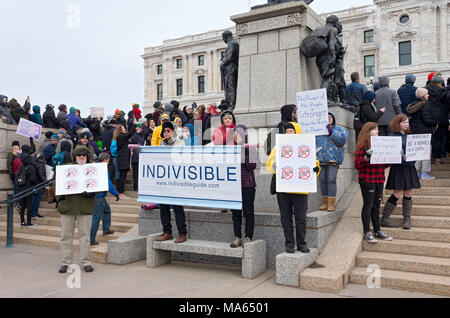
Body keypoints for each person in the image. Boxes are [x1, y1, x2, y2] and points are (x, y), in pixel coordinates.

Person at [266, 122, 321, 254]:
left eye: (291, 130)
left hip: (300, 188)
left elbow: (314, 162)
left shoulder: (306, 145)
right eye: (287, 131)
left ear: (297, 131)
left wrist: (316, 169)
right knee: (285, 217)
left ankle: (302, 243)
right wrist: (275, 167)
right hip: (283, 188)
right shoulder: (278, 146)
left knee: (301, 217)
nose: (289, 133)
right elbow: (270, 162)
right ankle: (289, 243)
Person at [57, 146, 97, 274]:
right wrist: (60, 196)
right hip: (67, 207)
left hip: (84, 208)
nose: (81, 157)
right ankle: (65, 262)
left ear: (87, 156)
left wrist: (92, 193)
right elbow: (56, 184)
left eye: (83, 155)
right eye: (78, 155)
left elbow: (99, 184)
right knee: (65, 236)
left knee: (85, 237)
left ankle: (86, 262)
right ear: (74, 156)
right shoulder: (67, 168)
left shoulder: (93, 168)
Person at [354, 122, 393, 243]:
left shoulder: (380, 145)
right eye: (375, 129)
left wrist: (393, 158)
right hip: (367, 179)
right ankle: (367, 231)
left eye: (377, 129)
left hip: (379, 179)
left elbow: (383, 165)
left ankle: (377, 230)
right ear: (368, 131)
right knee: (368, 205)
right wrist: (366, 157)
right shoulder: (363, 146)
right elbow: (358, 165)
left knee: (376, 206)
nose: (378, 131)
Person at [381, 115, 421, 230]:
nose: (406, 124)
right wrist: (400, 157)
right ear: (397, 123)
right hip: (398, 167)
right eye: (404, 122)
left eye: (407, 122)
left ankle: (407, 219)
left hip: (410, 167)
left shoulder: (410, 136)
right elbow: (390, 154)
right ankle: (385, 218)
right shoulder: (392, 136)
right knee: (397, 192)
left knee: (408, 193)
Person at [156, 121, 187, 244]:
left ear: (173, 131)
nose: (166, 133)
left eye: (168, 131)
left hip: (176, 179)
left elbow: (182, 159)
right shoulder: (162, 144)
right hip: (165, 179)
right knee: (163, 206)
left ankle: (182, 233)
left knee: (177, 207)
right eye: (164, 131)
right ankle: (167, 231)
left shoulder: (180, 143)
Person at [230, 125, 257, 248]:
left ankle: (248, 237)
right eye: (235, 134)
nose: (236, 136)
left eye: (238, 134)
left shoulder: (250, 148)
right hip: (234, 185)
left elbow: (251, 166)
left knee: (248, 212)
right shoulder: (230, 148)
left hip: (247, 184)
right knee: (236, 212)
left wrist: (242, 152)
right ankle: (237, 237)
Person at [317, 113, 349, 212]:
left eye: (330, 117)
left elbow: (342, 141)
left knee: (331, 179)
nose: (329, 119)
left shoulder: (339, 129)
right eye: (326, 117)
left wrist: (331, 132)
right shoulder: (318, 131)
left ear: (333, 119)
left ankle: (331, 203)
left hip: (333, 159)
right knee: (322, 179)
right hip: (320, 158)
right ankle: (325, 202)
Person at [407, 88, 437, 180]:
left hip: (415, 131)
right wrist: (435, 123)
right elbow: (427, 119)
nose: (428, 95)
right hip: (425, 131)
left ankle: (416, 172)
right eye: (427, 94)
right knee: (426, 152)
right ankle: (425, 172)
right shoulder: (425, 105)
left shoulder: (413, 104)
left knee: (418, 152)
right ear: (423, 95)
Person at [90, 153, 120, 246]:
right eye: (108, 160)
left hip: (96, 195)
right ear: (105, 160)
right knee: (96, 218)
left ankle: (106, 229)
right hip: (99, 196)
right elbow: (108, 183)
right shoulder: (102, 168)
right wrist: (115, 193)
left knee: (107, 210)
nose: (109, 162)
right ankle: (91, 239)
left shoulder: (94, 166)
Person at [428, 73, 450, 165]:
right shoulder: (444, 91)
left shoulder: (427, 90)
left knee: (431, 138)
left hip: (430, 117)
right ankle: (438, 157)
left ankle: (430, 157)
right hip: (442, 117)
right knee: (439, 138)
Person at [16, 144, 39, 227]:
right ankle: (29, 222)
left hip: (21, 188)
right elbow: (33, 179)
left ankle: (22, 222)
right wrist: (37, 184)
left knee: (22, 206)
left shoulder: (21, 167)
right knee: (29, 205)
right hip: (28, 188)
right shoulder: (31, 167)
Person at [116, 121, 137, 198]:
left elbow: (125, 146)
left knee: (123, 176)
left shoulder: (121, 137)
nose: (125, 129)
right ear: (120, 130)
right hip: (123, 160)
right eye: (123, 128)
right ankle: (120, 192)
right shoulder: (121, 136)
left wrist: (129, 152)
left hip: (124, 158)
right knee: (123, 176)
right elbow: (130, 134)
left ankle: (120, 191)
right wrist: (134, 124)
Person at [129, 121, 146, 192]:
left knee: (140, 174)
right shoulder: (134, 135)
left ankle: (140, 187)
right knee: (135, 173)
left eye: (140, 127)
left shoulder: (143, 135)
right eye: (138, 127)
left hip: (141, 157)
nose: (139, 129)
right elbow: (130, 141)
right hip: (135, 158)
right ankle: (135, 187)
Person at [31, 152, 47, 220]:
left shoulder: (35, 163)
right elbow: (41, 174)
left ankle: (35, 213)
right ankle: (34, 214)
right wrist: (45, 181)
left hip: (34, 184)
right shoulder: (41, 164)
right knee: (37, 200)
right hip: (39, 184)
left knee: (35, 200)